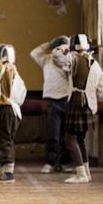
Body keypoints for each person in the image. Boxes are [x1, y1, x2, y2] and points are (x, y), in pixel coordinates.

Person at [63, 34, 103, 184]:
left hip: (76, 103)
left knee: (70, 138)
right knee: (80, 139)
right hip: (88, 104)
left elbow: (60, 61)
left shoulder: (74, 59)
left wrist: (64, 50)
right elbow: (102, 89)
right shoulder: (95, 64)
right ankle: (86, 173)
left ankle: (81, 173)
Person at [30, 36, 72, 173]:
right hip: (52, 100)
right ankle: (50, 162)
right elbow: (34, 53)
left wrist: (66, 50)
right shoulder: (47, 59)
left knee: (66, 134)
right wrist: (50, 44)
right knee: (53, 133)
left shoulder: (70, 59)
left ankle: (64, 163)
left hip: (67, 99)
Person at [0, 38, 26, 184]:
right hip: (14, 110)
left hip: (5, 110)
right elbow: (22, 95)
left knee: (3, 140)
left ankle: (8, 173)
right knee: (7, 140)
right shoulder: (16, 73)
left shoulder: (4, 70)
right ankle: (7, 170)